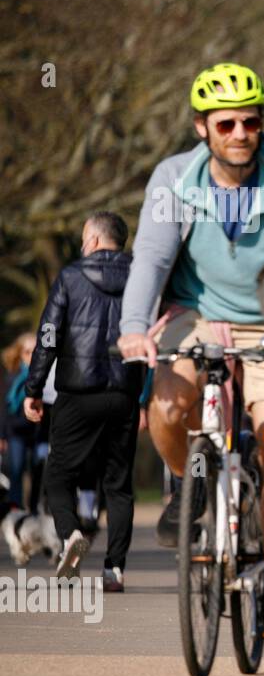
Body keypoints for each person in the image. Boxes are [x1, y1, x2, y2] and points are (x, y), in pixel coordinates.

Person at [117, 62, 264, 635]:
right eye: (225, 124)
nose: (239, 134)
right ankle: (189, 478)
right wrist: (136, 325)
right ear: (202, 127)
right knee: (170, 403)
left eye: (250, 122)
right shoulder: (174, 177)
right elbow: (153, 257)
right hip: (195, 313)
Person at [22, 213, 143, 588]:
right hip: (124, 391)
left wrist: (34, 388)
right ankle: (114, 569)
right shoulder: (142, 277)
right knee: (118, 484)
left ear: (91, 239)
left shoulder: (71, 278)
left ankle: (70, 534)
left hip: (78, 392)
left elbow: (47, 337)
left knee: (58, 475)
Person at [1, 333, 40, 512]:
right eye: (27, 351)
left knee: (39, 468)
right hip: (15, 432)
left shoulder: (44, 376)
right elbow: (3, 408)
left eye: (36, 351)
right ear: (19, 353)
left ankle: (34, 509)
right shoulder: (11, 377)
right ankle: (15, 510)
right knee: (16, 470)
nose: (31, 356)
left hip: (38, 431)